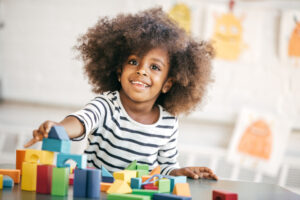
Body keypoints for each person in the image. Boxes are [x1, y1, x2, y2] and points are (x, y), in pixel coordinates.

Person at [24, 7, 217, 180]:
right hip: (95, 191)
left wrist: (179, 171)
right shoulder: (106, 105)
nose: (142, 70)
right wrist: (59, 129)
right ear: (119, 72)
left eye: (155, 67)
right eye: (133, 62)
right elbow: (82, 121)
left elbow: (166, 166)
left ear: (167, 84)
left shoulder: (168, 122)